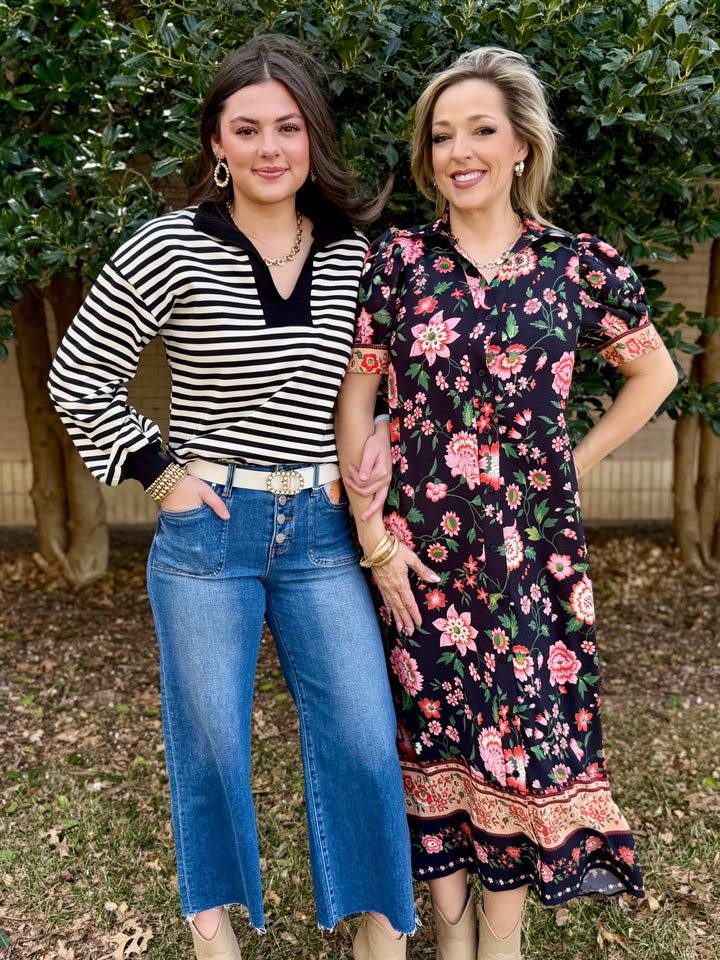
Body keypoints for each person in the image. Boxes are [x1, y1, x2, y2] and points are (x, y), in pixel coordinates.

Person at [48, 34, 421, 960]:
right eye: (246, 128)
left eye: (287, 128)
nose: (268, 148)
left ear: (311, 139)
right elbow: (77, 376)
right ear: (217, 140)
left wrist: (381, 435)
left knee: (368, 745)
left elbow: (376, 382)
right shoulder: (169, 245)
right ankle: (218, 945)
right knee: (212, 746)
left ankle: (384, 942)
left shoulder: (353, 253)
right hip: (209, 538)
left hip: (326, 531)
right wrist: (159, 474)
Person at [335, 46, 678, 960]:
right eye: (442, 135)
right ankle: (451, 943)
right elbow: (357, 404)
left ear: (522, 144)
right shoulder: (401, 261)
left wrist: (573, 457)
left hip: (534, 559)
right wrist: (373, 539)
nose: (460, 151)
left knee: (519, 741)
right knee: (433, 741)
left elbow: (655, 371)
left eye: (481, 130)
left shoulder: (578, 265)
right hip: (421, 557)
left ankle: (502, 942)